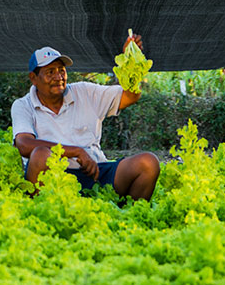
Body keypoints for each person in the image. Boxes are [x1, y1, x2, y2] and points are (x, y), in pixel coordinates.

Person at [12, 38, 160, 200]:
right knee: (40, 154)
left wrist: (131, 63)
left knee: (148, 163)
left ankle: (125, 218)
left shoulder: (84, 92)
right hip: (55, 180)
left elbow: (129, 97)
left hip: (95, 172)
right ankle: (48, 214)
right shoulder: (23, 105)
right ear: (33, 78)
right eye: (50, 72)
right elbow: (24, 145)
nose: (58, 77)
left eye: (61, 70)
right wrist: (76, 152)